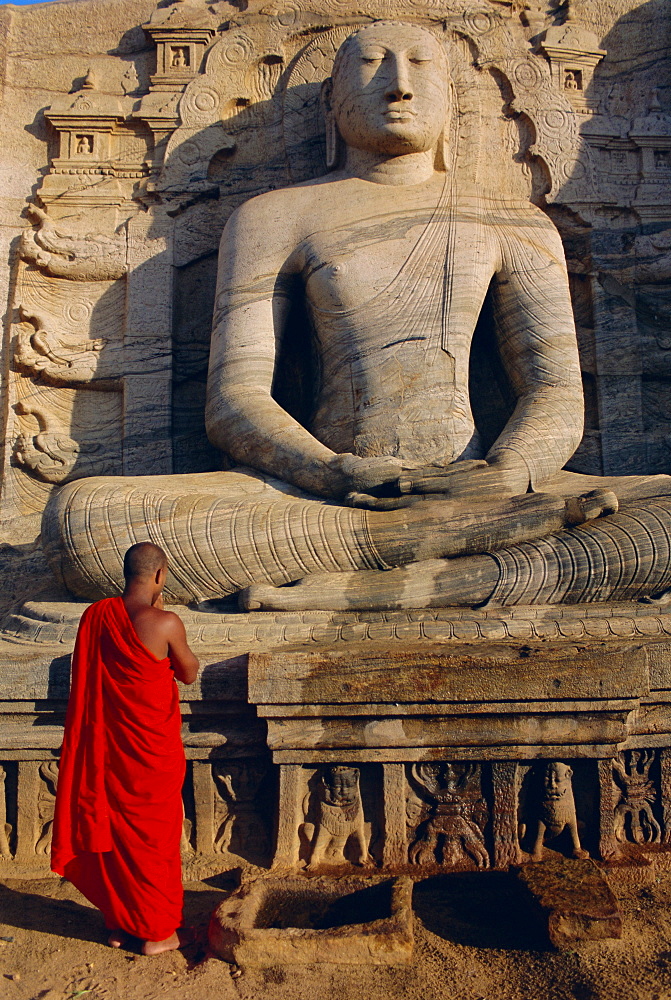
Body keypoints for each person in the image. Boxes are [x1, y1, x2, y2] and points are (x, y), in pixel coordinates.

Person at [42, 21, 671, 610]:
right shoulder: (273, 217)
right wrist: (333, 471)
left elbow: (555, 391)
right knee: (83, 518)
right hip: (326, 494)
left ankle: (394, 572)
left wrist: (507, 476)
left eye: (420, 66)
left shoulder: (513, 223)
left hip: (484, 482)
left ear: (451, 101)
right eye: (371, 66)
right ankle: (454, 559)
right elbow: (235, 401)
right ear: (331, 107)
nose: (398, 84)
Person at [51, 542, 199, 955]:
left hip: (106, 752)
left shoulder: (96, 616)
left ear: (125, 573)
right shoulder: (165, 623)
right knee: (153, 840)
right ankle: (157, 932)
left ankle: (120, 923)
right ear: (159, 575)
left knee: (114, 833)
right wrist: (164, 617)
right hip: (150, 756)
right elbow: (188, 673)